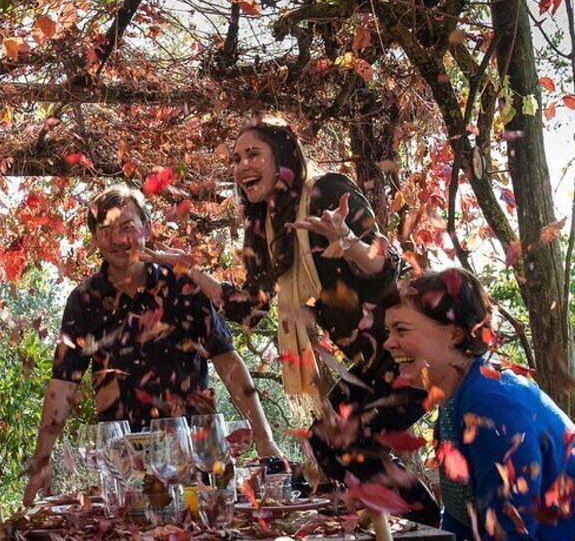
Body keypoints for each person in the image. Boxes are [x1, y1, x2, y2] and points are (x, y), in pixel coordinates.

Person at [143, 116, 438, 523]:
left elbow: (383, 265)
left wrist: (349, 244)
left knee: (356, 441)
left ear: (283, 158)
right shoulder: (267, 227)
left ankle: (426, 524)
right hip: (375, 358)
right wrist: (191, 270)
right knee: (325, 439)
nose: (242, 165)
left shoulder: (327, 192)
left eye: (253, 154)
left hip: (417, 344)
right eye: (237, 158)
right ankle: (405, 520)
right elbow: (250, 307)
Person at [22, 185, 282, 506]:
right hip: (126, 465)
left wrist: (264, 438)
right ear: (95, 238)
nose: (118, 240)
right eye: (105, 230)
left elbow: (227, 362)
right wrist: (42, 459)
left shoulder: (184, 285)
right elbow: (63, 385)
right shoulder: (83, 300)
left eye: (127, 227)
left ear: (147, 228)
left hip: (196, 454)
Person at [384, 267, 575, 539]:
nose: (388, 343)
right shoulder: (459, 398)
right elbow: (462, 513)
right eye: (388, 331)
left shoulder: (492, 406)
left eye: (401, 329)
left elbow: (512, 534)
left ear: (454, 334)